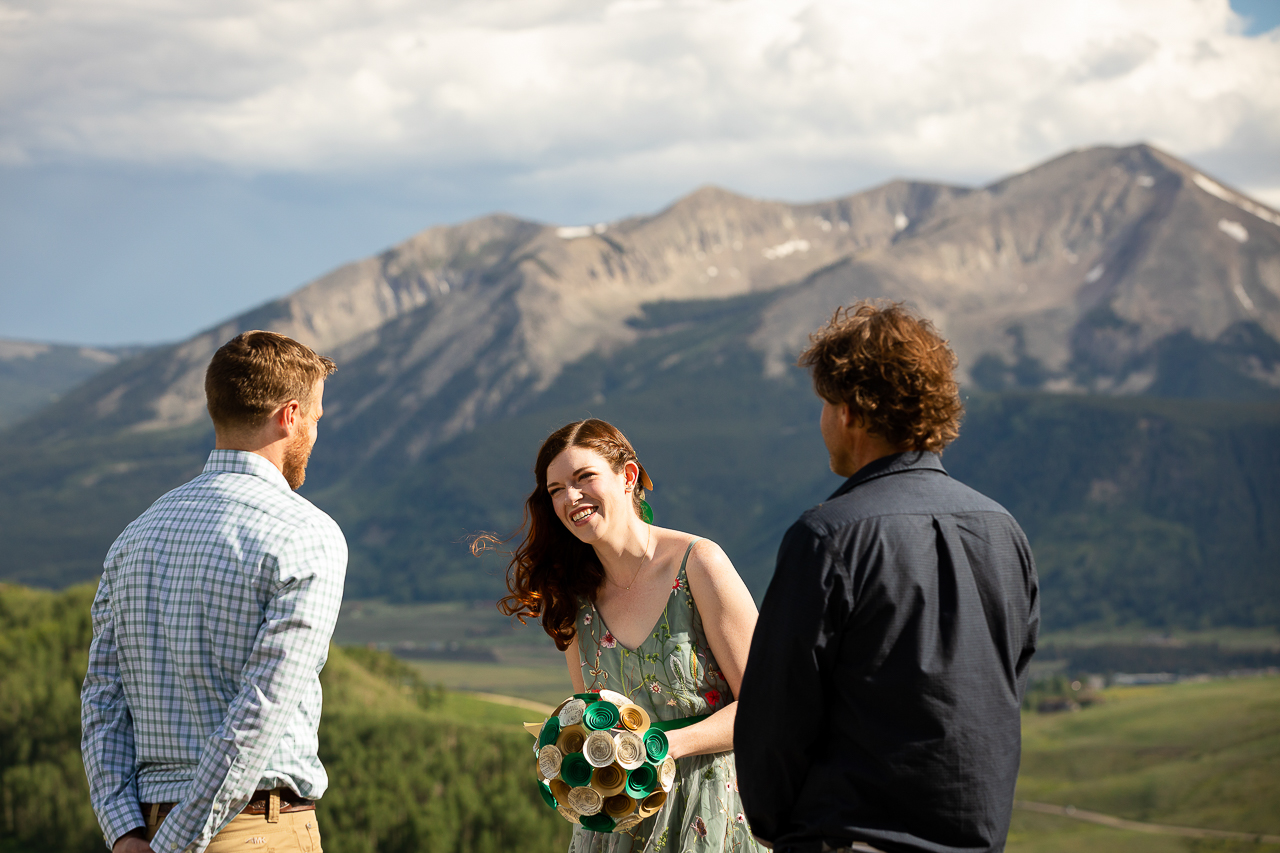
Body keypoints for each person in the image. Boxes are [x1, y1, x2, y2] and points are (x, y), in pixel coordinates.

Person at [735, 302, 1040, 853]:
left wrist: (782, 832)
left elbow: (775, 722)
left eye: (825, 404)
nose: (823, 421)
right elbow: (1005, 682)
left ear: (850, 411)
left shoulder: (827, 537)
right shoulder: (1005, 530)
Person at [81, 330, 347, 853]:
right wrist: (177, 841)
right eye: (316, 419)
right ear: (289, 416)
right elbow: (261, 710)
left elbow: (102, 699)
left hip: (144, 830)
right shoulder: (307, 533)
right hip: (255, 830)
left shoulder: (135, 536)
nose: (315, 432)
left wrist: (125, 833)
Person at [492, 418, 767, 853]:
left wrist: (663, 746)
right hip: (618, 829)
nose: (571, 498)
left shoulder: (699, 564)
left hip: (711, 811)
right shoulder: (570, 597)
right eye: (557, 489)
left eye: (584, 478)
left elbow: (767, 706)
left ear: (628, 476)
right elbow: (589, 713)